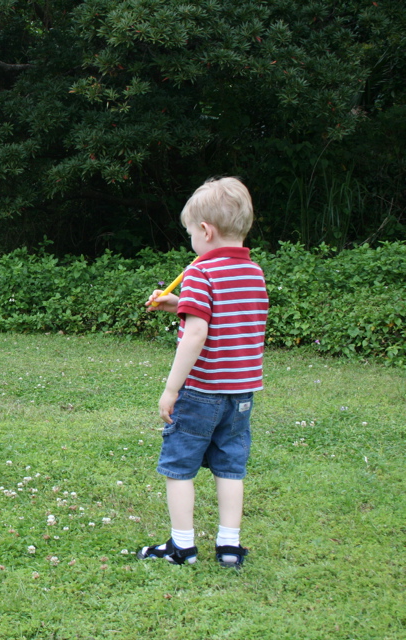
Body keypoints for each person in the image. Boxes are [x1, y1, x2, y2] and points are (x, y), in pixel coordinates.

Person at [137, 177, 268, 568]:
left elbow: (196, 334)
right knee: (230, 467)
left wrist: (171, 389)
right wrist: (180, 303)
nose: (192, 241)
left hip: (201, 391)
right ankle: (229, 547)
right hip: (241, 394)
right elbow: (231, 316)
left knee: (179, 468)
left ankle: (182, 546)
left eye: (192, 233)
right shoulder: (253, 273)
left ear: (206, 231)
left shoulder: (201, 271)